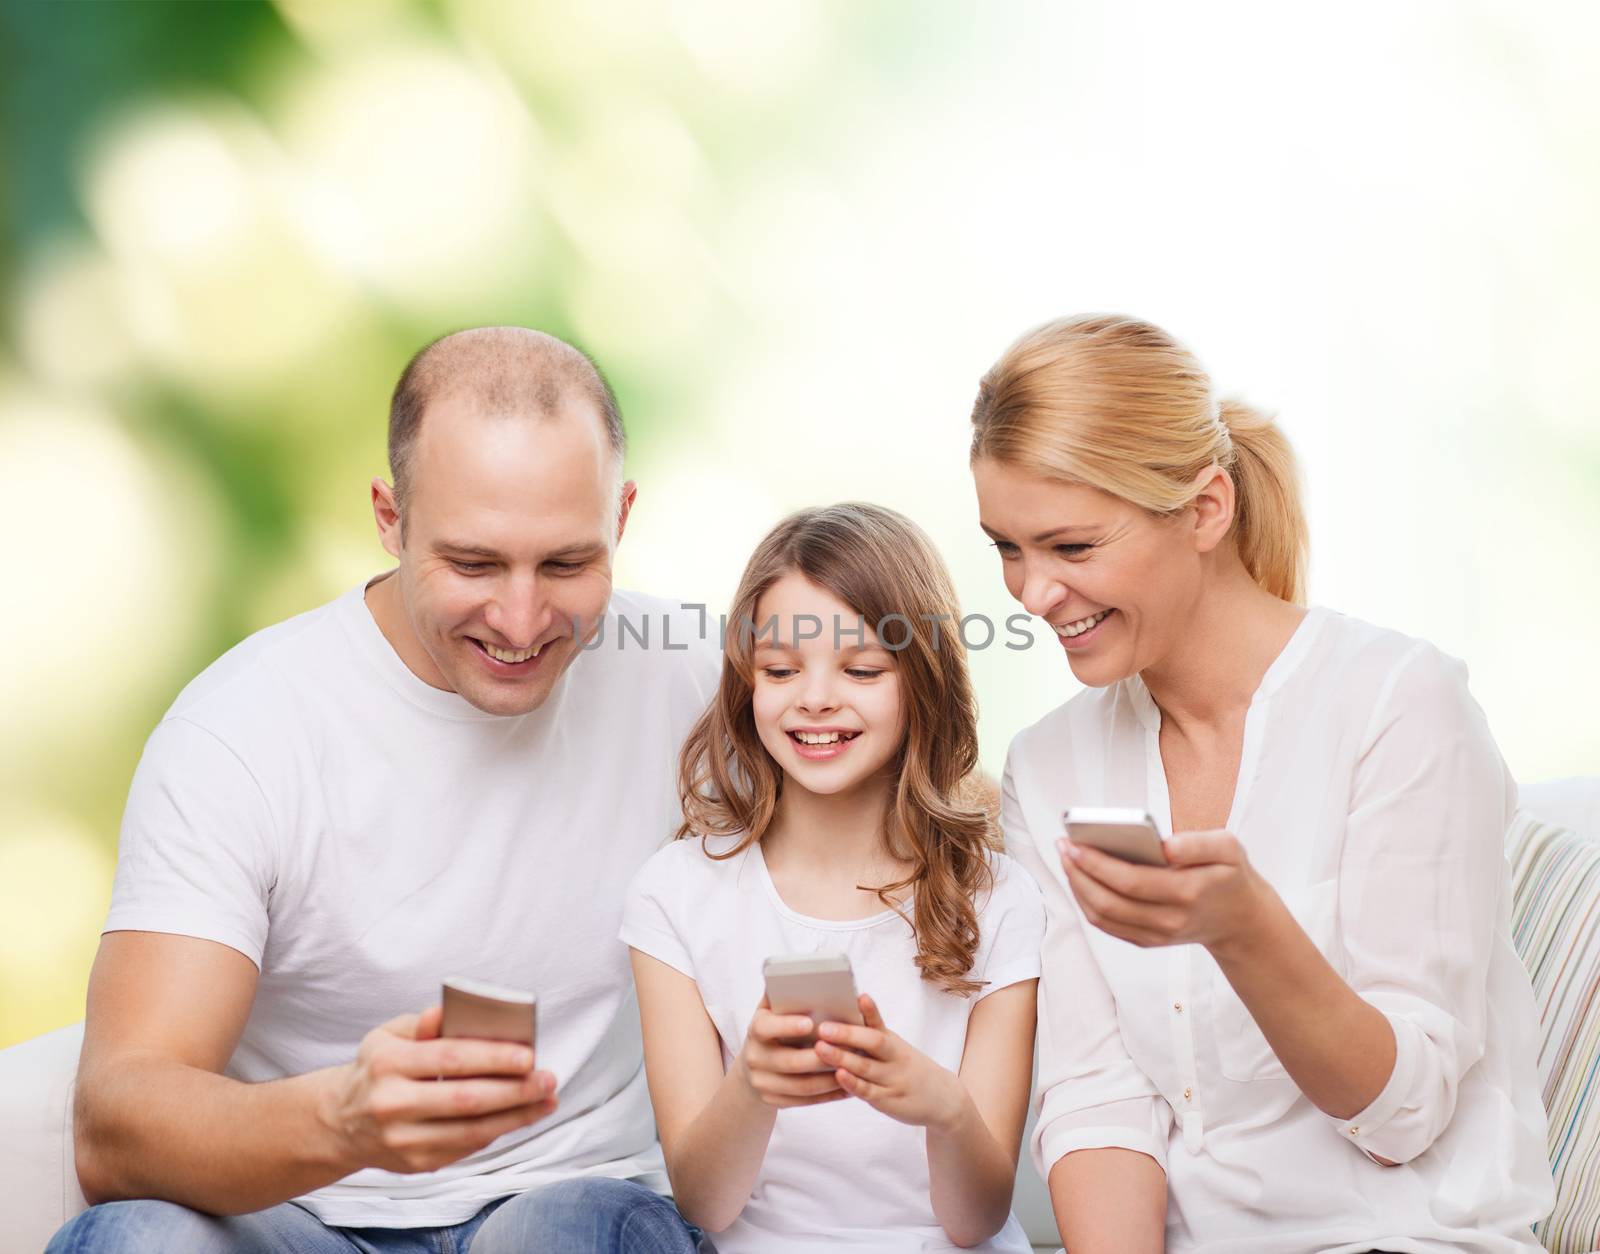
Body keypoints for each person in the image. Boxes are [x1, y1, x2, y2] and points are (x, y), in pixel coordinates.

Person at [47, 328, 718, 1253]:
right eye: (473, 564)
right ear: (389, 517)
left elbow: (916, 787)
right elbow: (114, 1124)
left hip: (569, 1203)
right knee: (132, 1239)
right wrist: (346, 1121)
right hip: (300, 1217)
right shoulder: (244, 728)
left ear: (622, 519)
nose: (522, 621)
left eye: (567, 564)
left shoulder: (697, 676)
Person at [970, 314, 1554, 1253]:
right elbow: (1097, 1103)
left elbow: (1404, 1115)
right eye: (1007, 547)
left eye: (1071, 548)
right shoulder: (1049, 767)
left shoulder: (1399, 706)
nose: (1032, 594)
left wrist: (1245, 930)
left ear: (1206, 509)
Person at [621, 503, 1045, 1253]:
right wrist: (752, 1085)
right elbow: (705, 1204)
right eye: (781, 670)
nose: (814, 698)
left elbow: (975, 1219)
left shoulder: (999, 898)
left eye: (861, 669)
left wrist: (944, 1108)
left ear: (923, 682)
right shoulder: (677, 893)